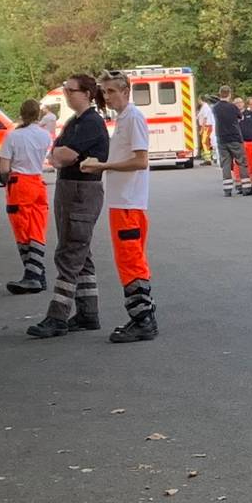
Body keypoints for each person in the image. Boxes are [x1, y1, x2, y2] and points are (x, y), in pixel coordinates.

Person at [26, 75, 110, 339]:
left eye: (70, 90)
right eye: (65, 90)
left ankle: (57, 316)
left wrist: (59, 154)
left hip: (81, 191)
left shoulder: (91, 123)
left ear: (86, 93)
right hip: (70, 188)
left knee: (70, 252)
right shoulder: (76, 121)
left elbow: (64, 155)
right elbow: (56, 153)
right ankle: (88, 312)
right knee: (81, 254)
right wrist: (58, 154)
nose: (66, 94)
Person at [80, 71, 159, 342]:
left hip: (128, 202)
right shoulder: (125, 118)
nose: (107, 96)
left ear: (126, 91)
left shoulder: (133, 118)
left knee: (130, 261)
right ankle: (142, 316)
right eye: (105, 91)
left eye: (112, 91)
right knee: (129, 260)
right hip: (124, 202)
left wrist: (103, 166)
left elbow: (141, 161)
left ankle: (142, 320)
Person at [0, 97, 55, 293]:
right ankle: (37, 274)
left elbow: (4, 168)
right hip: (38, 183)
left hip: (19, 184)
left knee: (22, 230)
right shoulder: (44, 136)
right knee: (37, 229)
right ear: (38, 114)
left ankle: (33, 276)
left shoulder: (13, 137)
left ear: (21, 114)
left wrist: (4, 177)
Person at [209, 89, 248, 195]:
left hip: (222, 139)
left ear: (220, 94)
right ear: (229, 94)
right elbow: (241, 117)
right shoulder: (233, 107)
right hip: (235, 138)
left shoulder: (215, 108)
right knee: (241, 162)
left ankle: (227, 190)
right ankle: (246, 188)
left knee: (226, 163)